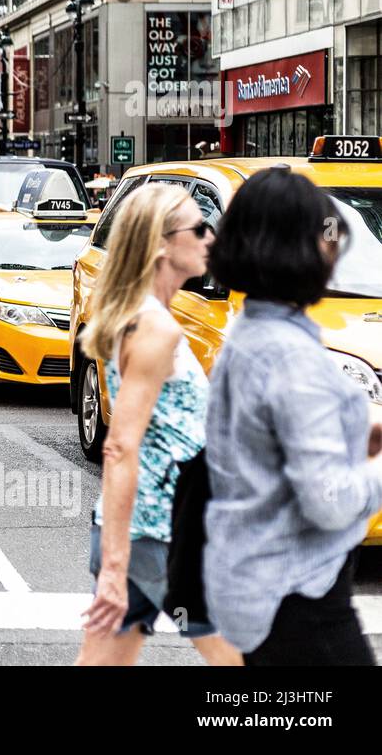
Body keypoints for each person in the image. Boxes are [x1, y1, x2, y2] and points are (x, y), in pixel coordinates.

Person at [204, 168, 382, 665]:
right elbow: (327, 499)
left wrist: (357, 436)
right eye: (327, 238)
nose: (335, 251)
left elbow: (265, 442)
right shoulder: (289, 354)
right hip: (300, 597)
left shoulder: (250, 332)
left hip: (253, 583)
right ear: (296, 249)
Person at [76, 183, 241, 666]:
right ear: (162, 243)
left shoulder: (144, 317)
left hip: (153, 532)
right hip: (161, 536)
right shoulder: (155, 328)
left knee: (104, 661)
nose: (211, 237)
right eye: (199, 227)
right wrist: (114, 565)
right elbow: (122, 446)